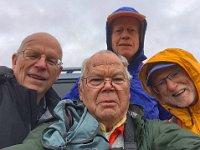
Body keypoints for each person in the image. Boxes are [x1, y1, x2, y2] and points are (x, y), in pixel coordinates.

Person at [4, 50, 200, 150]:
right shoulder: (55, 130)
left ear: (128, 92)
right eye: (97, 80)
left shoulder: (154, 131)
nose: (108, 86)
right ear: (81, 91)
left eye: (117, 79)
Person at [64, 6, 171, 120]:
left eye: (131, 30)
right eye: (119, 30)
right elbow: (63, 114)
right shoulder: (90, 76)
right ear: (110, 39)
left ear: (140, 38)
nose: (125, 35)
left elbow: (170, 121)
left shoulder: (152, 78)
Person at [0, 32, 63, 148]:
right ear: (14, 61)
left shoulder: (63, 117)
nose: (41, 65)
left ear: (58, 73)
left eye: (51, 60)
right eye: (33, 55)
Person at [139, 48, 200, 136]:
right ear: (157, 92)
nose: (171, 86)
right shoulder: (165, 136)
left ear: (191, 71)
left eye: (175, 74)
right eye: (161, 83)